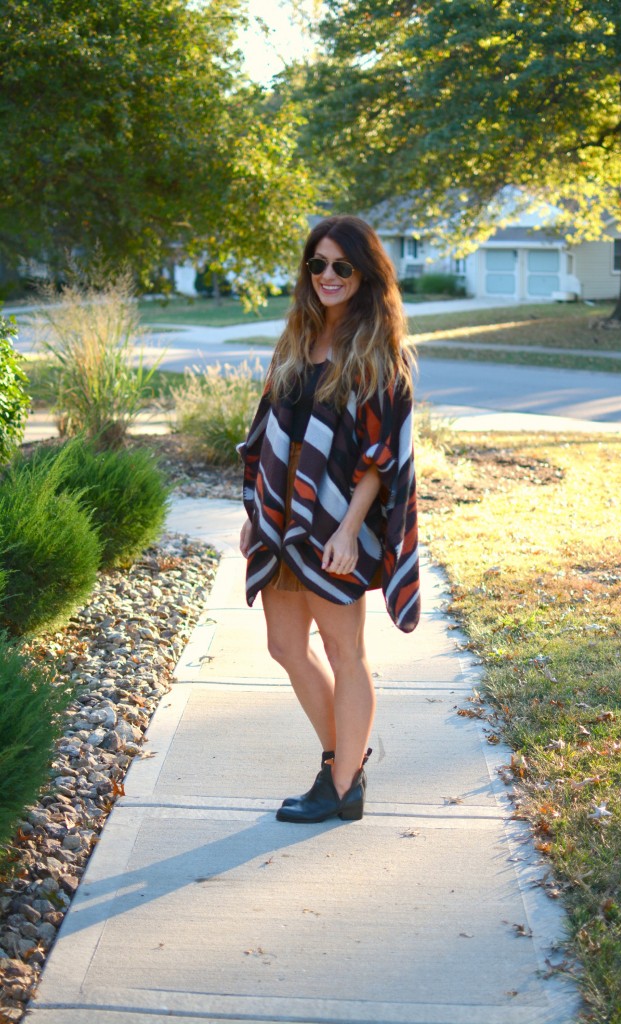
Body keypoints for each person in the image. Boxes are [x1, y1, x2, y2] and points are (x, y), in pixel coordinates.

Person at [238, 214, 420, 824]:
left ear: (365, 273)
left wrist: (348, 529)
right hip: (283, 518)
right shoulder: (297, 338)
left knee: (345, 649)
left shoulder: (377, 350)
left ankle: (341, 786)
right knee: (285, 646)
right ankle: (344, 763)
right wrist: (254, 510)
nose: (327, 275)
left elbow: (380, 459)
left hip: (336, 523)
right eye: (317, 264)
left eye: (341, 265)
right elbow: (265, 431)